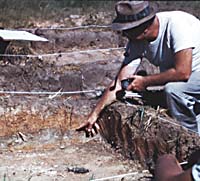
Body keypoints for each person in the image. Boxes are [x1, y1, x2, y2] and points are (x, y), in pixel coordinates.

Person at [76, 1, 200, 136]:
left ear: (144, 27)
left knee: (174, 90)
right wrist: (94, 114)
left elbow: (183, 72)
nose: (124, 34)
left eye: (127, 29)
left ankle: (191, 140)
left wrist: (145, 81)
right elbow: (119, 83)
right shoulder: (137, 40)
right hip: (189, 83)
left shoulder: (177, 25)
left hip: (192, 75)